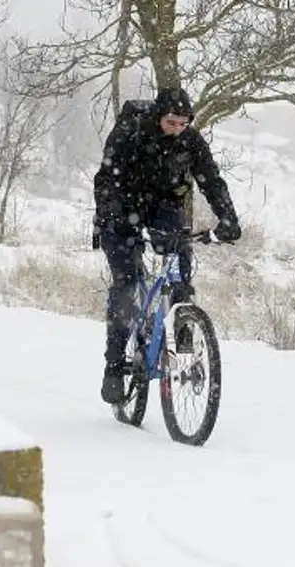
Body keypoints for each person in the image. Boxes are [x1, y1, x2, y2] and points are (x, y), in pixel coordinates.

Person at [92, 87, 242, 404]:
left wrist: (227, 217)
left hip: (163, 209)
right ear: (159, 116)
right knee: (127, 284)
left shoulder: (190, 141)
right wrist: (117, 216)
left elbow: (211, 179)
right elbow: (106, 179)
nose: (176, 129)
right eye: (171, 122)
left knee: (179, 266)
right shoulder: (131, 131)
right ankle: (115, 366)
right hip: (120, 211)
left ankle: (181, 320)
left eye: (182, 124)